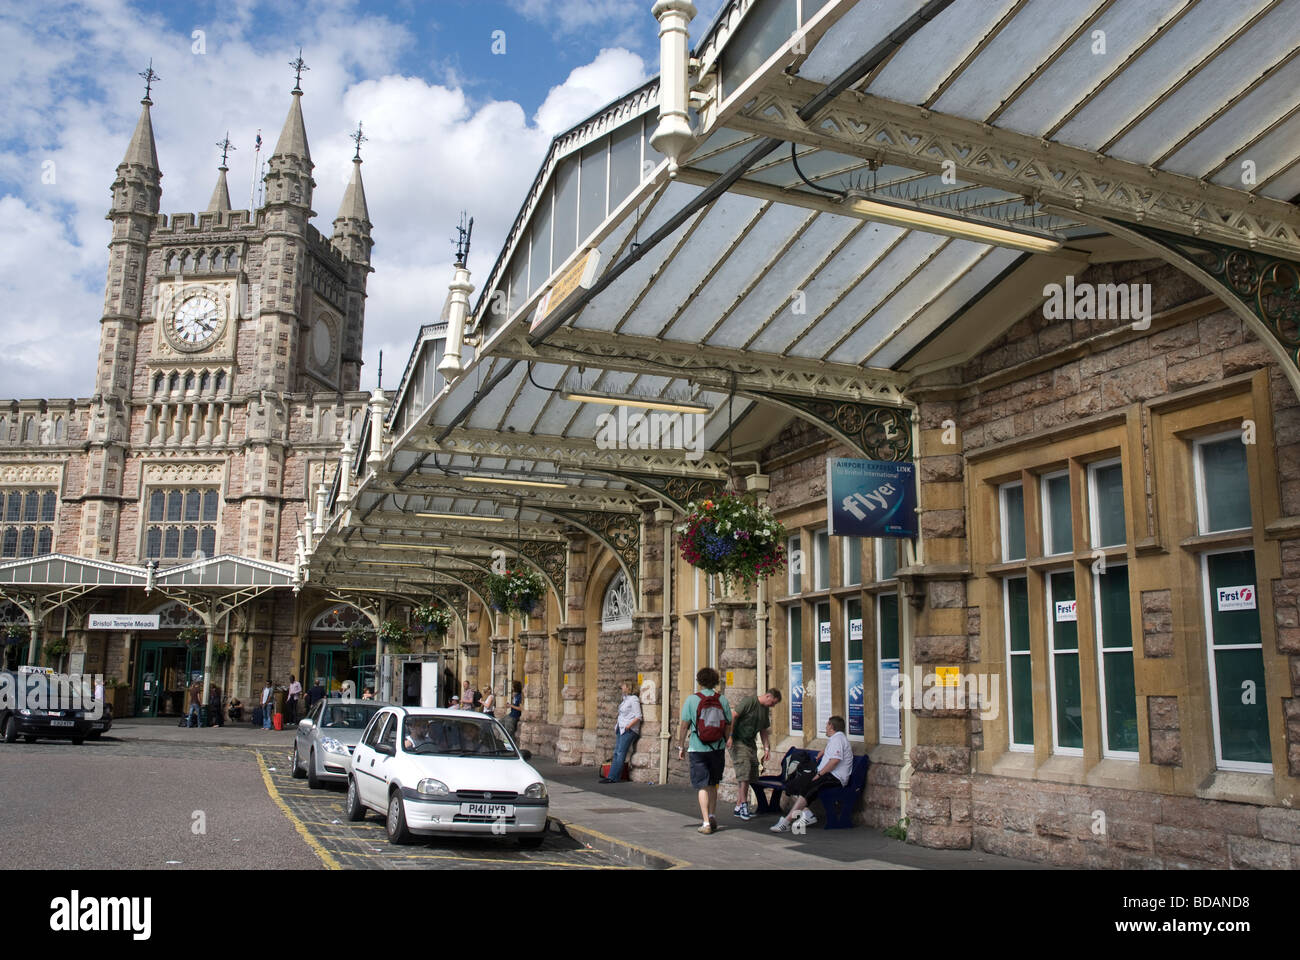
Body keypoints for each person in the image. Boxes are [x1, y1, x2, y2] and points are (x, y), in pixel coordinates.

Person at [770, 716, 854, 833]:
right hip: (826, 774)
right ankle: (807, 813)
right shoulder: (836, 739)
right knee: (793, 785)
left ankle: (786, 822)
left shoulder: (838, 739)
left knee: (809, 787)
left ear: (831, 726)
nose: (825, 727)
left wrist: (819, 775)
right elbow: (834, 751)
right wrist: (824, 751)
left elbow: (835, 761)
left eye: (827, 725)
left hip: (834, 777)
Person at [677, 667, 732, 835]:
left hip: (697, 747)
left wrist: (681, 745)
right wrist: (726, 739)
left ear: (699, 681)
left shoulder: (692, 700)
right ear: (715, 681)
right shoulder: (721, 700)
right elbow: (728, 723)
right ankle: (713, 814)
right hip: (717, 747)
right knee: (713, 783)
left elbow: (685, 724)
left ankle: (706, 822)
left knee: (702, 785)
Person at [728, 687, 782, 820]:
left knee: (752, 774)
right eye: (773, 703)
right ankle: (744, 806)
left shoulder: (765, 710)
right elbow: (733, 716)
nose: (773, 706)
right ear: (768, 696)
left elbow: (763, 730)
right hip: (738, 741)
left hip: (750, 743)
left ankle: (738, 805)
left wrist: (766, 748)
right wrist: (729, 736)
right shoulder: (749, 702)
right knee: (744, 773)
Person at [602, 679, 642, 783]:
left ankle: (614, 777)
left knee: (620, 753)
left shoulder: (634, 699)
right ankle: (611, 776)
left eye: (624, 686)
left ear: (629, 687)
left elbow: (638, 716)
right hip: (621, 728)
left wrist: (629, 726)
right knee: (616, 752)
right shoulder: (625, 699)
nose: (622, 687)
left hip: (628, 730)